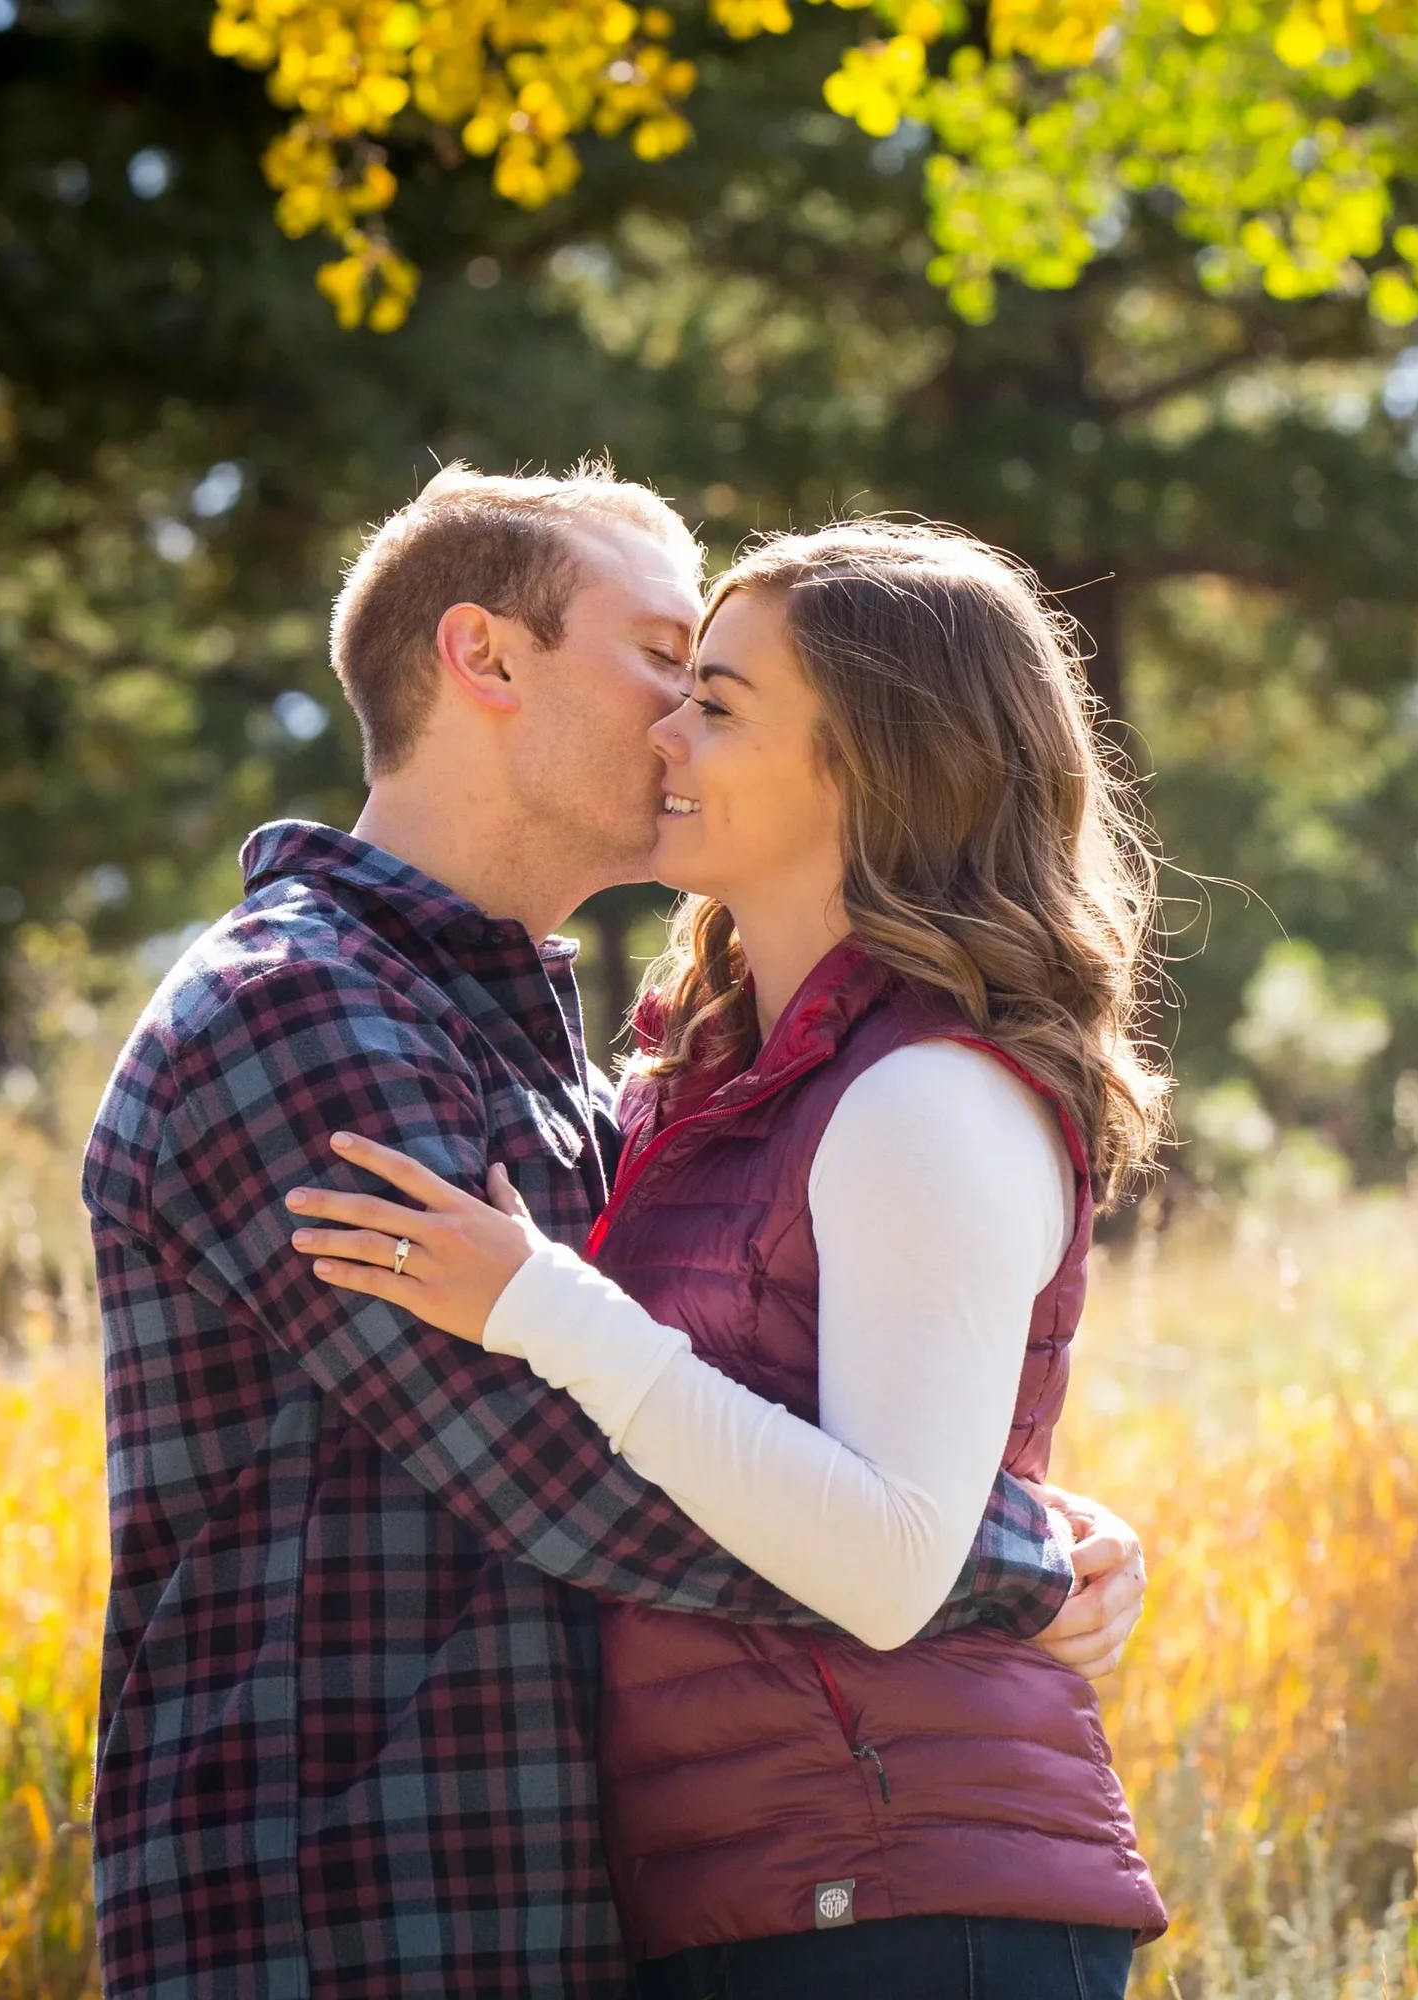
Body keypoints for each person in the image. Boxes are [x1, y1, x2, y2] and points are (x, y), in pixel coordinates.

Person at [81, 467, 1147, 1999]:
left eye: (712, 691)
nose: (675, 723)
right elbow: (558, 1456)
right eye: (667, 658)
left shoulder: (575, 1067)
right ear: (487, 658)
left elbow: (729, 1421)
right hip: (336, 1895)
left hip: (583, 1894)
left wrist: (939, 1513)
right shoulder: (297, 1015)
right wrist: (1013, 1555)